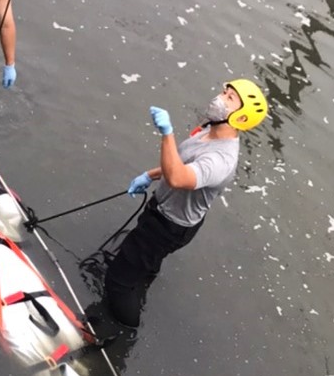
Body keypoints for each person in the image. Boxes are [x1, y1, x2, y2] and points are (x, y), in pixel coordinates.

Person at [103, 78, 268, 328]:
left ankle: (123, 327)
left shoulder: (222, 160)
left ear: (242, 118)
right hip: (162, 210)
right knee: (145, 262)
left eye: (230, 98)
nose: (220, 97)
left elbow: (179, 177)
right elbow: (180, 163)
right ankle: (143, 275)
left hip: (169, 226)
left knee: (118, 280)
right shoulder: (209, 130)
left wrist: (167, 134)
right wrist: (149, 175)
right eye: (225, 91)